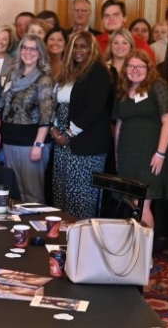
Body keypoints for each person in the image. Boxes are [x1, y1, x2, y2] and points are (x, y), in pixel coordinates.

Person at [49, 32, 111, 217]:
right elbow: (57, 103)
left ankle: (83, 242)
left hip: (85, 144)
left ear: (92, 48)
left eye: (83, 46)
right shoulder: (67, 71)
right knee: (62, 195)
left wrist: (67, 134)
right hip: (62, 144)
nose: (78, 50)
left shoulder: (98, 71)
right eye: (75, 46)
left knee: (81, 199)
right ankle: (62, 241)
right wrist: (54, 128)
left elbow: (94, 108)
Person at [112, 51, 168, 228]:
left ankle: (145, 252)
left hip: (150, 153)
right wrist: (117, 156)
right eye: (131, 66)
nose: (135, 70)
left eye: (140, 66)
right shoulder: (123, 90)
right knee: (130, 203)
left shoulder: (158, 86)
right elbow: (119, 124)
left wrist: (161, 153)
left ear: (148, 68)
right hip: (127, 153)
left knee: (142, 203)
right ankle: (134, 248)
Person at [0, 36, 54, 203]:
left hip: (31, 144)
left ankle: (37, 228)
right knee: (16, 193)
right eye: (24, 48)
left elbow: (46, 116)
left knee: (32, 192)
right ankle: (19, 228)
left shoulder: (44, 79)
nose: (28, 52)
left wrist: (38, 144)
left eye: (33, 49)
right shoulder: (12, 76)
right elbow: (1, 106)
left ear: (40, 53)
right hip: (10, 141)